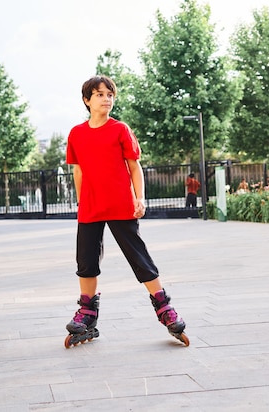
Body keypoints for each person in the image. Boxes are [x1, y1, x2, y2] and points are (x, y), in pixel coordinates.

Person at [65, 75, 187, 345]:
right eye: (99, 94)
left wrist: (139, 198)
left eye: (109, 94)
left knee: (138, 256)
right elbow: (78, 170)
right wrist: (80, 201)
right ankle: (87, 312)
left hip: (121, 204)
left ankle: (163, 307)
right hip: (91, 206)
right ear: (87, 100)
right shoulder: (76, 134)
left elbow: (134, 166)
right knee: (85, 260)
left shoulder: (120, 129)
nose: (106, 98)